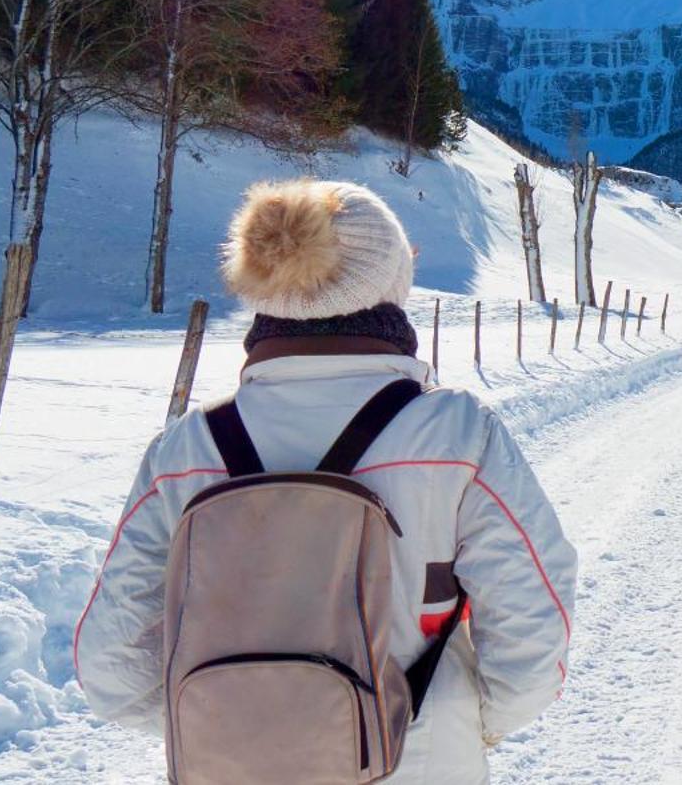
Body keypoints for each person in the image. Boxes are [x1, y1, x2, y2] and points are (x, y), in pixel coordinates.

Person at [75, 180, 576, 782]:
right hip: (414, 761)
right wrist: (463, 721)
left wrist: (239, 724)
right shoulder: (456, 434)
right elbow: (533, 620)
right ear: (389, 287)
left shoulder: (186, 447)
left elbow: (108, 660)